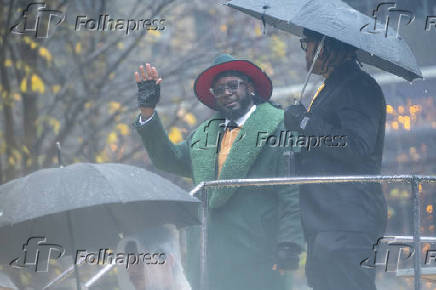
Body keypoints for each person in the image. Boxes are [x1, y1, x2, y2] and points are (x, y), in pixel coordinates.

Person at [132, 54, 303, 290]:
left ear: (250, 87)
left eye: (233, 85)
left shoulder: (279, 126)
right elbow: (168, 159)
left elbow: (292, 191)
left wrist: (290, 244)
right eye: (219, 89)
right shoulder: (204, 134)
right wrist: (148, 112)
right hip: (208, 252)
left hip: (258, 250)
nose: (226, 92)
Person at [284, 29, 387, 290]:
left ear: (325, 47)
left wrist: (306, 122)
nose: (305, 51)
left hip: (348, 225)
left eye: (307, 44)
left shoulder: (358, 85)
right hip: (325, 223)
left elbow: (356, 146)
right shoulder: (332, 86)